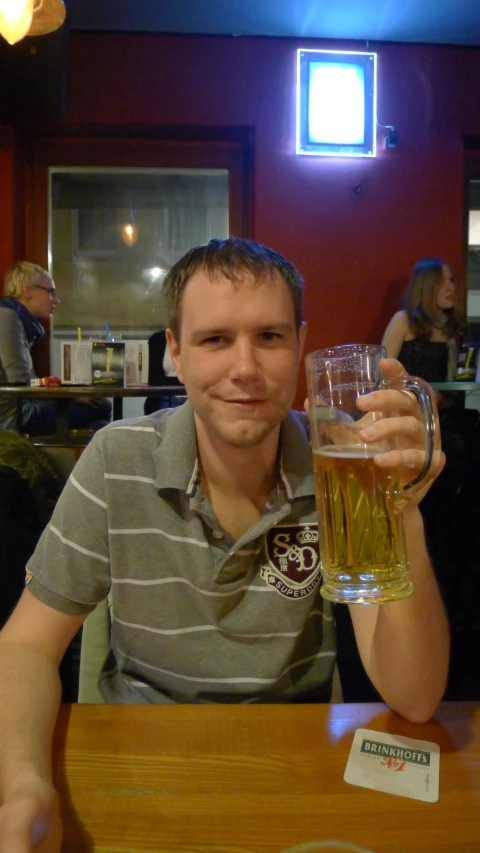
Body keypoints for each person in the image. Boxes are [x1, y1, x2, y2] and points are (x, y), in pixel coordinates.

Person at [0, 238, 449, 853]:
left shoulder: (342, 467)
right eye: (215, 340)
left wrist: (403, 513)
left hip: (293, 776)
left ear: (299, 346)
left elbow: (416, 696)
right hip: (137, 769)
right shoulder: (117, 459)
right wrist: (25, 787)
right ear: (176, 354)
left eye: (269, 336)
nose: (246, 367)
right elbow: (24, 647)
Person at [0, 261, 111, 434]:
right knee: (101, 406)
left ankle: (80, 458)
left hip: (20, 408)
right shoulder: (7, 317)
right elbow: (20, 381)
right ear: (27, 291)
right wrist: (69, 395)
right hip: (14, 416)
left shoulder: (16, 319)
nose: (57, 300)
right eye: (51, 292)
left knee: (97, 415)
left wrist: (68, 393)